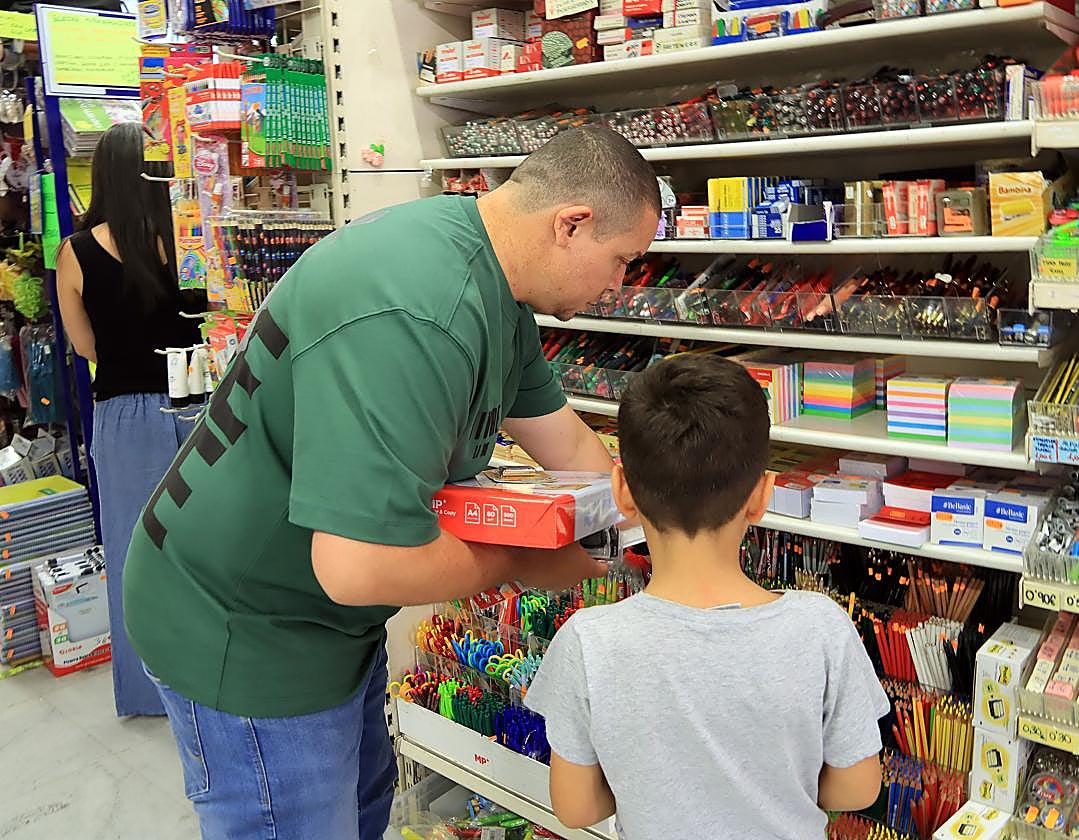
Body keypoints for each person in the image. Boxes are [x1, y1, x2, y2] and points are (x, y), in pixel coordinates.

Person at [122, 126, 661, 839]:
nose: (619, 286)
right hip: (244, 629)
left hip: (325, 623)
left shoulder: (495, 284)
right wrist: (522, 561)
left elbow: (569, 446)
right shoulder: (418, 308)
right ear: (571, 224)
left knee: (363, 810)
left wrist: (636, 547)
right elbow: (356, 566)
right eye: (623, 261)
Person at [524, 353, 889, 839]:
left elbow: (575, 806)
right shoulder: (821, 628)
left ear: (622, 492)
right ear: (761, 496)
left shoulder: (589, 642)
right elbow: (858, 787)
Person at [55, 121, 205, 718]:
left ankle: (148, 692)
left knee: (132, 553)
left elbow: (86, 346)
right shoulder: (185, 238)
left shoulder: (77, 251)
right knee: (205, 547)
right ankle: (210, 676)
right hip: (200, 405)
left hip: (125, 415)